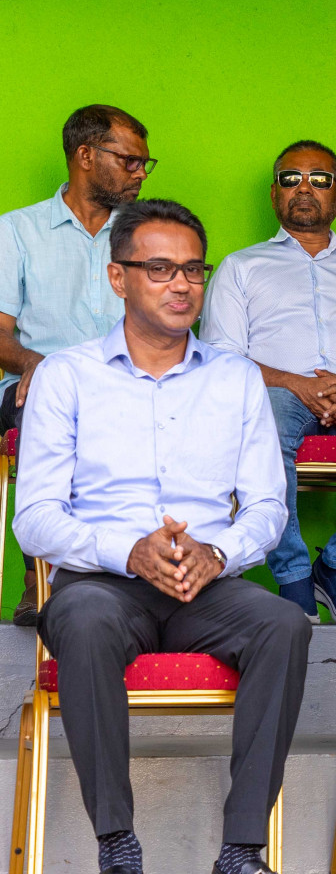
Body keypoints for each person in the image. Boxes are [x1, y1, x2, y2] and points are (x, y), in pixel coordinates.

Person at [15, 199, 320, 874]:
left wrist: (219, 553)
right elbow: (34, 518)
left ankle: (240, 860)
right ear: (118, 277)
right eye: (159, 269)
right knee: (80, 621)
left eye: (191, 268)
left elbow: (268, 508)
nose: (181, 285)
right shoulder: (67, 376)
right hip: (104, 583)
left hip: (207, 586)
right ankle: (118, 857)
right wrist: (129, 550)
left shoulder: (237, 377)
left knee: (284, 623)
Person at [202, 140, 336, 624]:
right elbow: (221, 355)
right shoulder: (241, 266)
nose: (304, 187)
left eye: (319, 179)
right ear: (275, 195)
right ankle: (293, 574)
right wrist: (299, 385)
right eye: (290, 177)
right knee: (269, 413)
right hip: (275, 397)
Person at [0, 104, 153, 625]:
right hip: (35, 381)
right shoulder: (16, 232)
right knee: (47, 402)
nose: (140, 173)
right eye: (130, 161)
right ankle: (42, 574)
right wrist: (37, 363)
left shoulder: (144, 235)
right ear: (85, 155)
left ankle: (153, 571)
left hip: (131, 381)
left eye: (145, 165)